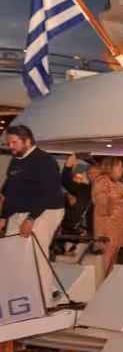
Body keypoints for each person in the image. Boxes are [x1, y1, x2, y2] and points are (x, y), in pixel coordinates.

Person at [0, 125, 66, 306]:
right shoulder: (17, 159)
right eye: (9, 142)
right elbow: (9, 189)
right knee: (15, 254)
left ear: (27, 141)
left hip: (46, 210)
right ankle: (33, 294)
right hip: (19, 211)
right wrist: (4, 217)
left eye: (14, 142)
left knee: (36, 254)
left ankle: (45, 302)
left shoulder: (44, 161)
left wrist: (31, 219)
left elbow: (48, 192)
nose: (10, 146)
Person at [90, 156, 123, 276]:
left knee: (116, 260)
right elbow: (102, 206)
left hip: (118, 228)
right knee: (108, 261)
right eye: (120, 167)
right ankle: (106, 286)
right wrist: (119, 201)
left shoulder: (118, 184)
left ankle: (112, 285)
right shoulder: (102, 182)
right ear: (111, 168)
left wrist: (119, 201)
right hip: (108, 229)